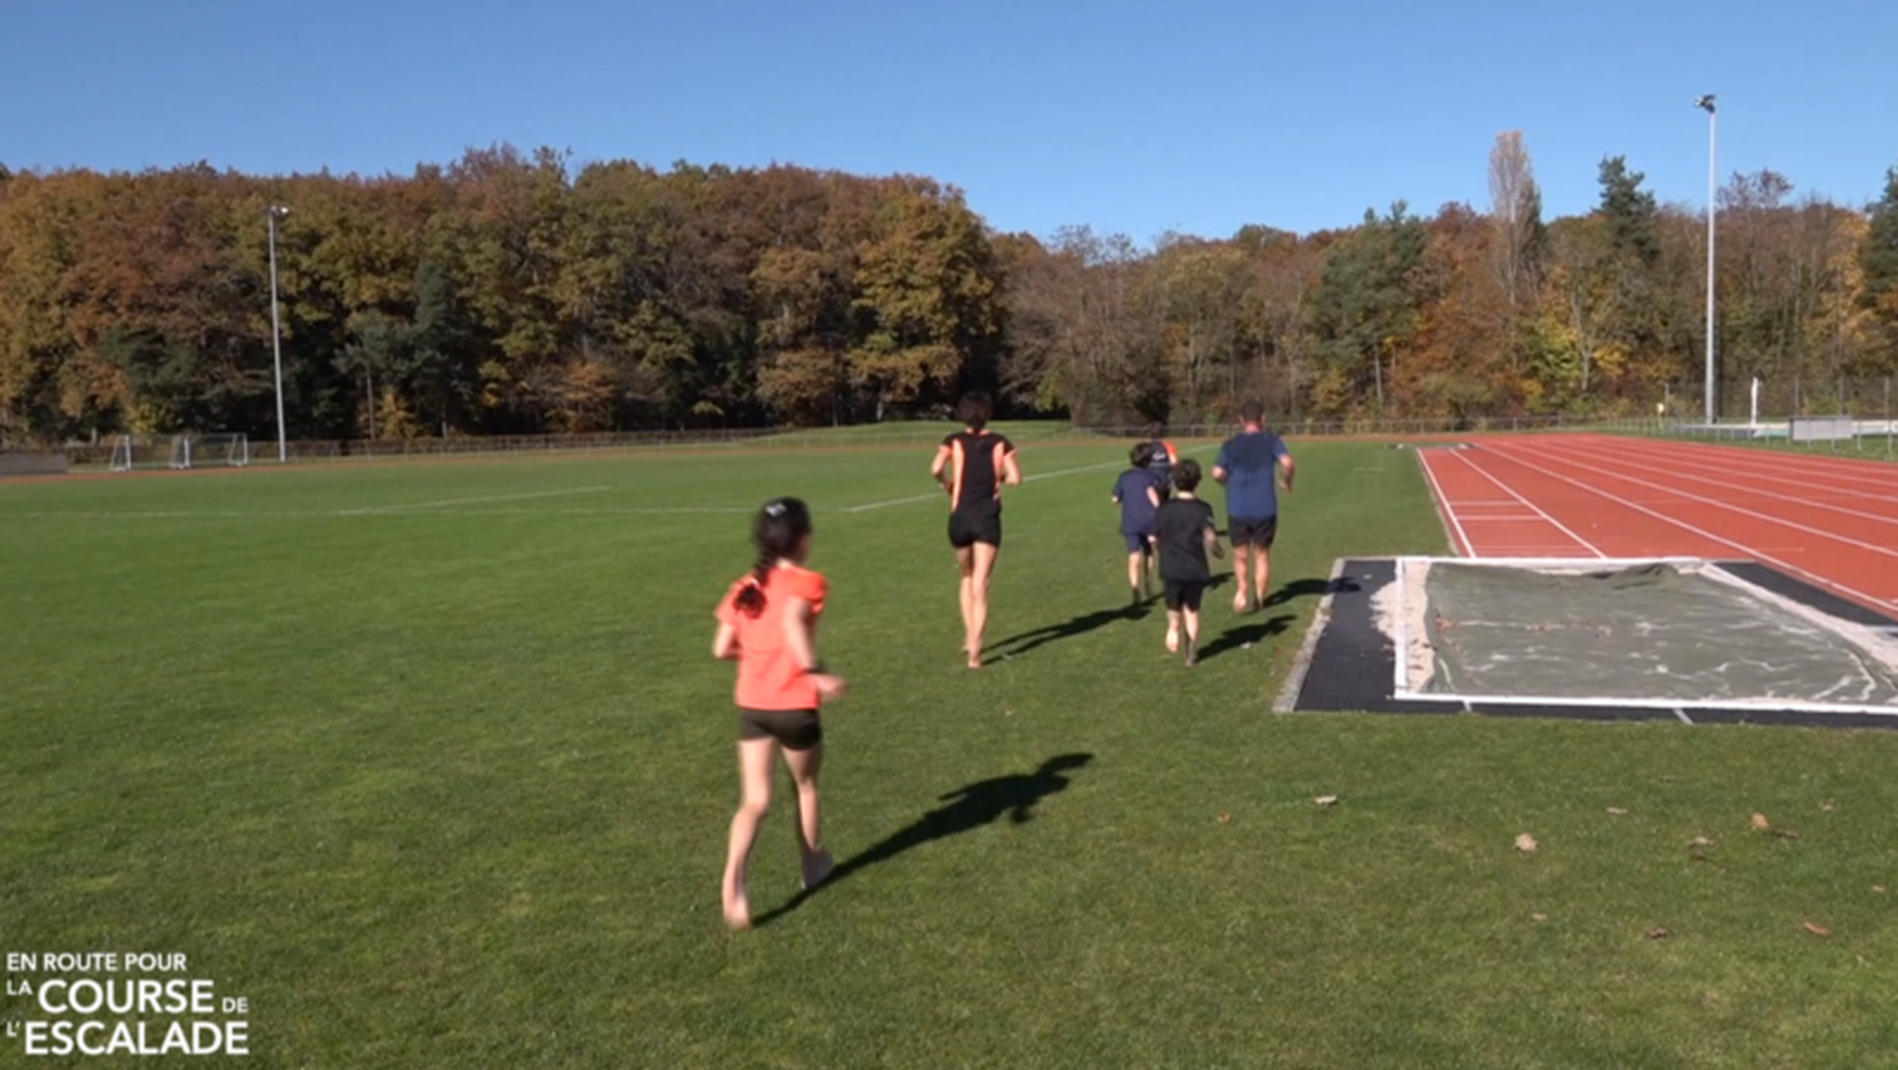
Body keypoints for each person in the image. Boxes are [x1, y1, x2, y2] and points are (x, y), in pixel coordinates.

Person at [711, 497, 847, 931]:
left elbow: (720, 648)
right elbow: (792, 623)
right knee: (805, 785)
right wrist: (814, 673)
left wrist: (757, 658)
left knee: (754, 800)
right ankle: (812, 865)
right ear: (804, 540)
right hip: (794, 704)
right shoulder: (808, 582)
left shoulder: (745, 585)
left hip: (752, 705)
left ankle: (734, 877)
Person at [930, 392, 1021, 668]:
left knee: (966, 577)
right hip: (987, 518)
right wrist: (999, 477)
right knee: (982, 584)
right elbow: (1015, 479)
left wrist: (947, 483)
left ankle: (969, 637)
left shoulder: (953, 440)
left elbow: (935, 468)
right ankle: (976, 652)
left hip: (959, 519)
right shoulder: (1000, 442)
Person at [1212, 398, 1294, 614]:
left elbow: (1217, 473)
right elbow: (1288, 463)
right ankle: (1260, 599)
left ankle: (1242, 589)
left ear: (1241, 420)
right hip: (1264, 507)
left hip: (1237, 507)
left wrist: (1227, 484)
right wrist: (1287, 482)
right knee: (1262, 555)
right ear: (1263, 419)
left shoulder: (1230, 445)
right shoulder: (1271, 441)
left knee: (1240, 554)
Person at [1152, 459, 1223, 666]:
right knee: (1192, 609)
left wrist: (1160, 548)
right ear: (1198, 482)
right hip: (1195, 568)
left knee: (1173, 605)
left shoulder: (1164, 509)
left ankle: (1173, 628)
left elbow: (1155, 537)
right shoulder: (1203, 509)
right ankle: (1191, 652)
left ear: (1174, 481)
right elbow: (1210, 538)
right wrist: (1218, 551)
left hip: (1171, 566)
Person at [1110, 442, 1164, 604]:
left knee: (1133, 555)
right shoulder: (1152, 477)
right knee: (1149, 553)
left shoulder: (1124, 477)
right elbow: (1156, 500)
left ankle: (1135, 589)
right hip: (1149, 521)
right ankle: (1148, 586)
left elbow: (1114, 499)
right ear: (1149, 461)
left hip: (1131, 522)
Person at [1143, 422, 1179, 496]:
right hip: (1164, 481)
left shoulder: (1145, 447)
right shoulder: (1168, 446)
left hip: (1147, 481)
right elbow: (1174, 462)